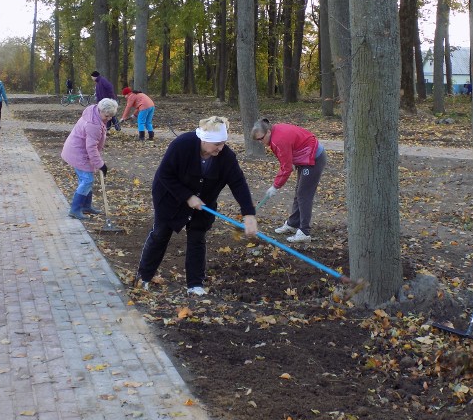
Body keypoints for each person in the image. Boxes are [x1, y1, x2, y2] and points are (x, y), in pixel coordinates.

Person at [135, 116, 258, 296]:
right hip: (170, 197)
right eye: (217, 144)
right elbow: (165, 174)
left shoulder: (226, 157)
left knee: (197, 238)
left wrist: (248, 214)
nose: (220, 148)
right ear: (204, 139)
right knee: (160, 234)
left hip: (203, 202)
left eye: (223, 143)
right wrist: (187, 196)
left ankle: (195, 285)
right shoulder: (182, 145)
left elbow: (238, 183)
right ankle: (143, 277)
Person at [251, 118, 327, 243]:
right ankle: (293, 223)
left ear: (268, 132)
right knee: (299, 192)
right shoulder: (275, 134)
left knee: (304, 194)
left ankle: (304, 232)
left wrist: (275, 186)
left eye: (261, 138)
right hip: (305, 157)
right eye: (257, 140)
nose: (260, 142)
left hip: (314, 157)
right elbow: (287, 162)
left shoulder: (278, 140)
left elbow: (286, 168)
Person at [60, 98, 118, 220]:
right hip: (78, 153)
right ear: (101, 110)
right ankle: (75, 210)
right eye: (107, 116)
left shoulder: (94, 112)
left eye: (111, 116)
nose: (109, 119)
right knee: (87, 180)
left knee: (86, 179)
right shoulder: (93, 124)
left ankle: (86, 206)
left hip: (77, 150)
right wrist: (101, 165)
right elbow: (91, 148)